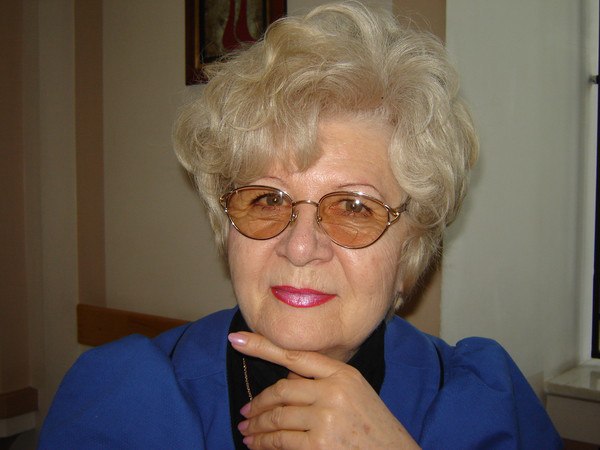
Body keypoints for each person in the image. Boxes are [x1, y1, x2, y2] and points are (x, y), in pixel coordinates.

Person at [39, 2, 562, 448]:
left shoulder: (487, 405)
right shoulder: (124, 399)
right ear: (227, 230)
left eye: (355, 207)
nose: (301, 246)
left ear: (410, 251)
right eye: (268, 198)